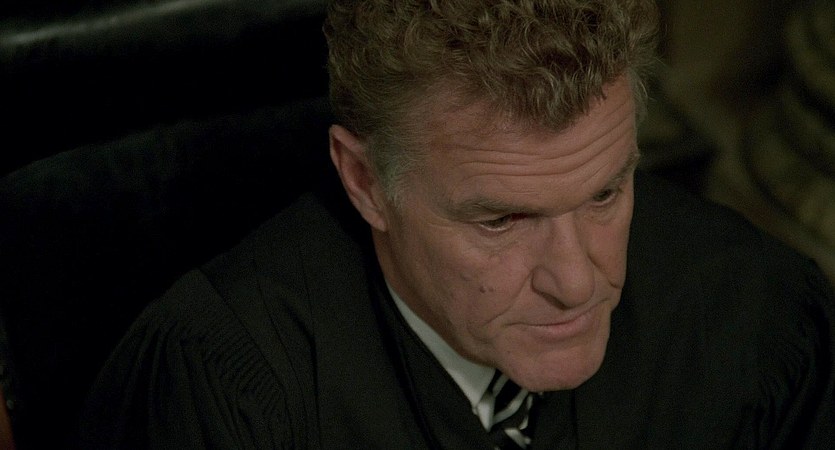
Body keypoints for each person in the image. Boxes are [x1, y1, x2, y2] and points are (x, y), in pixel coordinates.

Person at [80, 0, 835, 448]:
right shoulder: (225, 390)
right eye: (501, 221)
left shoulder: (757, 316)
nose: (577, 282)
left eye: (605, 193)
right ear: (365, 182)